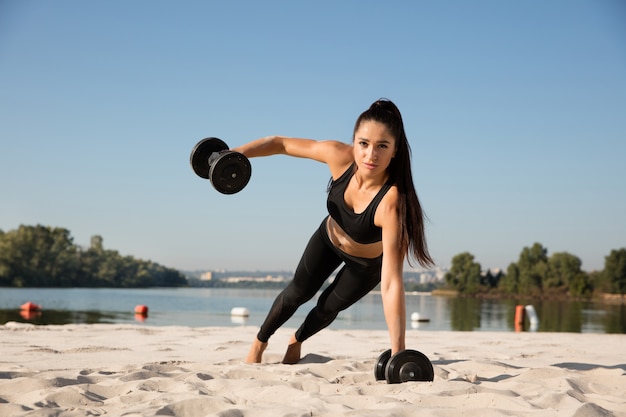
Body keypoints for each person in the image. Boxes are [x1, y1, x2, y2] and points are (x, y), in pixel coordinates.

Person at [232, 98, 434, 364]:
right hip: (328, 240)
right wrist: (234, 154)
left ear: (394, 151)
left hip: (366, 265)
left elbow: (391, 284)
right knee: (297, 293)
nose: (370, 155)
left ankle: (297, 340)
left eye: (382, 146)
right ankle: (259, 343)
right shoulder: (339, 156)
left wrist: (399, 353)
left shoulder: (391, 203)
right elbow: (280, 143)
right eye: (364, 144)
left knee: (328, 307)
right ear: (354, 142)